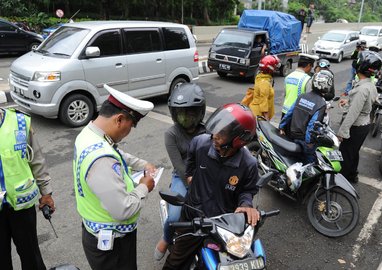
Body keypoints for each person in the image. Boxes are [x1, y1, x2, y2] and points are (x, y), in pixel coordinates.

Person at [163, 103, 260, 270]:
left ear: (238, 140)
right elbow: (190, 162)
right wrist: (191, 176)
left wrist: (246, 205)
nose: (214, 137)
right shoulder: (200, 143)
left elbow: (248, 190)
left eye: (221, 136)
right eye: (215, 132)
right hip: (193, 218)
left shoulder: (249, 164)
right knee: (175, 262)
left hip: (224, 223)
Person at [73, 85, 156, 270]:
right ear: (119, 119)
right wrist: (144, 186)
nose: (130, 131)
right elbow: (124, 210)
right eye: (131, 126)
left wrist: (142, 165)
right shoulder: (101, 159)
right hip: (113, 244)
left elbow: (115, 152)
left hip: (96, 230)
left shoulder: (89, 134)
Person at [154, 83, 207, 260]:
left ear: (200, 111)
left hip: (205, 175)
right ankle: (166, 238)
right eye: (180, 112)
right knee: (176, 215)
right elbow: (179, 165)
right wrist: (193, 186)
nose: (185, 117)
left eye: (190, 112)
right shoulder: (171, 134)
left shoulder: (207, 131)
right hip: (183, 176)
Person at [0, 108, 55, 270]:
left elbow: (36, 159)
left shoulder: (20, 121)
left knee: (31, 255)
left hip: (22, 205)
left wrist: (46, 192)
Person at [337, 54, 382, 183]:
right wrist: (349, 101)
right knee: (353, 153)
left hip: (356, 127)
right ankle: (352, 175)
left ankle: (341, 183)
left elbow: (353, 113)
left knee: (345, 156)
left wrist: (343, 132)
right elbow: (363, 104)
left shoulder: (362, 89)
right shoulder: (370, 85)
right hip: (364, 125)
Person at [279, 70, 334, 164]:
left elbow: (289, 114)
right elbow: (312, 125)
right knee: (311, 164)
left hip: (292, 136)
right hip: (303, 140)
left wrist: (281, 126)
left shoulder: (302, 96)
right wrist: (309, 143)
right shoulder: (321, 103)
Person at [281, 53, 318, 118]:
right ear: (309, 65)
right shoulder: (307, 79)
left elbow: (285, 94)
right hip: (297, 115)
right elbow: (309, 100)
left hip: (285, 112)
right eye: (311, 67)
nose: (311, 69)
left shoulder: (288, 77)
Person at [249, 55, 280, 120]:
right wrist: (266, 120)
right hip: (259, 115)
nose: (276, 69)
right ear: (270, 69)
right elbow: (264, 101)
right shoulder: (264, 82)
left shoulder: (260, 76)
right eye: (275, 67)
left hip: (255, 111)